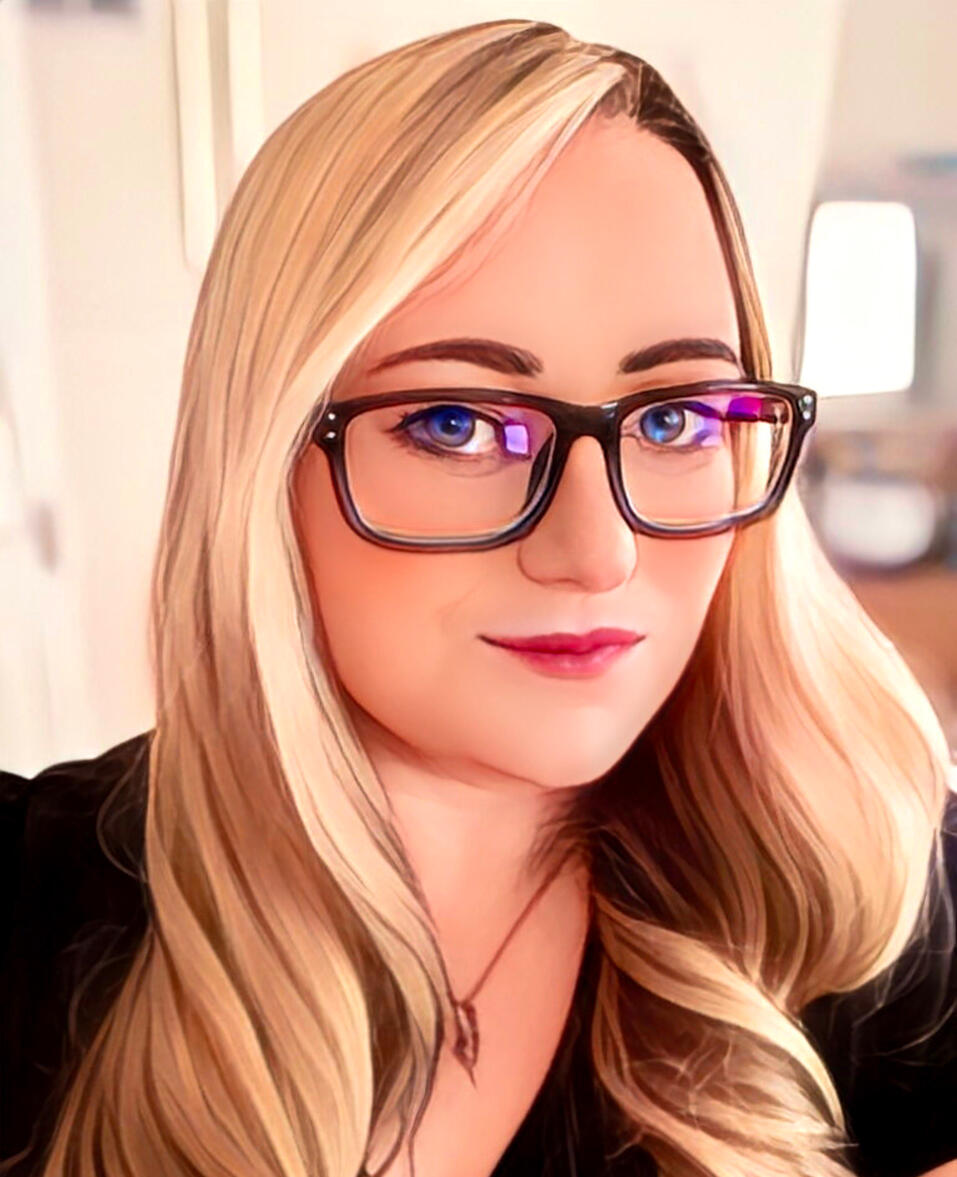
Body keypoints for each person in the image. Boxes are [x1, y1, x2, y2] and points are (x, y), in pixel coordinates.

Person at [1, 19, 955, 1177]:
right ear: (264, 459)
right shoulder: (32, 911)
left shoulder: (874, 915)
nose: (597, 552)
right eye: (456, 423)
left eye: (675, 418)